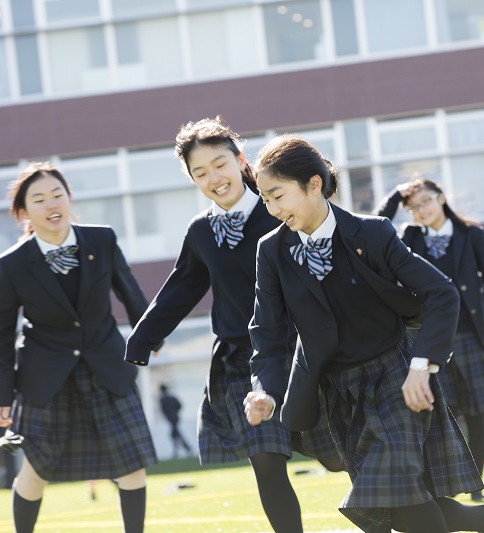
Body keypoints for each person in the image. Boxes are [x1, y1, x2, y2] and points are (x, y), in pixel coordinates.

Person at [245, 135, 484, 533]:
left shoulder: (373, 233)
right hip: (337, 390)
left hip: (395, 377)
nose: (273, 208)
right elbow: (267, 330)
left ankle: (483, 518)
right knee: (393, 508)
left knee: (387, 494)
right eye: (265, 199)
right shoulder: (272, 251)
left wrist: (422, 366)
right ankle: (483, 519)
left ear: (314, 184)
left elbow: (441, 293)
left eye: (278, 195)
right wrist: (263, 388)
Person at [125, 117, 341, 533]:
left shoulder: (279, 208)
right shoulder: (201, 231)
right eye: (200, 172)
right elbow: (182, 287)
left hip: (300, 349)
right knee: (266, 460)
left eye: (220, 164)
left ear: (241, 160)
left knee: (334, 456)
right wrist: (143, 338)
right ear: (191, 179)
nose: (214, 178)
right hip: (242, 358)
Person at [0, 162, 157, 533]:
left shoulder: (101, 239)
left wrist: (148, 336)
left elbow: (130, 293)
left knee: (132, 465)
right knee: (35, 470)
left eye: (57, 194)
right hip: (46, 380)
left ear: (69, 198)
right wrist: (1, 395)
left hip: (107, 367)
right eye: (39, 199)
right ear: (23, 213)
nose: (51, 204)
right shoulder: (11, 264)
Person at [374, 177, 484, 501]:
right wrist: (396, 194)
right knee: (434, 412)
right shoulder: (409, 237)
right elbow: (379, 225)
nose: (421, 210)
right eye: (414, 207)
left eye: (425, 201)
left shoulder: (471, 234)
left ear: (440, 198)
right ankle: (438, 486)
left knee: (478, 414)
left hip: (470, 336)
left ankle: (475, 486)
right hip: (430, 341)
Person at [158, 384, 193, 458]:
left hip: (171, 418)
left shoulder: (163, 399)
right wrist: (176, 412)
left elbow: (163, 410)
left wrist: (169, 414)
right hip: (175, 417)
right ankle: (184, 449)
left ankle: (184, 449)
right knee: (175, 434)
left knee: (174, 434)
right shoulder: (172, 397)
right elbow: (180, 405)